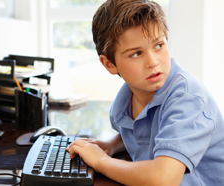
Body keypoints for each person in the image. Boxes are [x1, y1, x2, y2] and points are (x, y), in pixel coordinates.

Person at [66, 0, 224, 185]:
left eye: (158, 45)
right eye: (136, 54)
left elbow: (164, 179)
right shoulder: (125, 101)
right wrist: (111, 145)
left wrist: (101, 161)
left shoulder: (188, 99)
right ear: (110, 64)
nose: (152, 62)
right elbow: (143, 133)